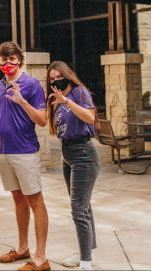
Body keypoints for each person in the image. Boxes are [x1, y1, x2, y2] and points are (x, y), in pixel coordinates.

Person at [0, 41, 50, 271]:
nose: (8, 63)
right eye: (3, 59)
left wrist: (22, 100)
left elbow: (43, 120)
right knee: (17, 199)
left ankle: (41, 258)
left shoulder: (32, 85)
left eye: (12, 58)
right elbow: (0, 120)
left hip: (25, 152)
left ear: (20, 60)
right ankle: (23, 248)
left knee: (35, 200)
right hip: (4, 152)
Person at [46, 61, 100, 270]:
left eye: (59, 76)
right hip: (66, 153)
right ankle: (87, 253)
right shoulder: (57, 100)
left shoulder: (79, 92)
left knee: (78, 209)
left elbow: (90, 117)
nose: (56, 80)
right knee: (83, 206)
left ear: (68, 74)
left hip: (83, 154)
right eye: (52, 79)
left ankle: (85, 262)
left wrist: (66, 102)